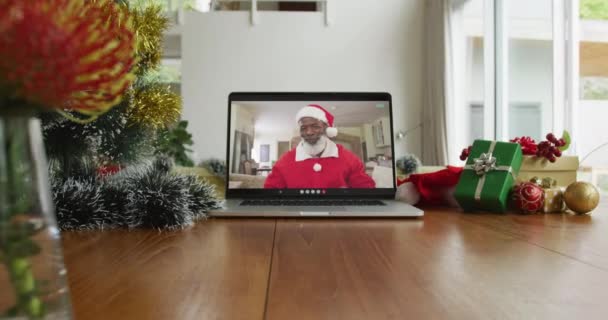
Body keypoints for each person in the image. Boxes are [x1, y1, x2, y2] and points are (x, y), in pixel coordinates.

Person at [264, 104, 376, 189]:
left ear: (327, 128)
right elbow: (270, 193)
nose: (309, 132)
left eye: (315, 126)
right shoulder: (284, 162)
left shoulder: (349, 159)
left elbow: (366, 189)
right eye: (304, 128)